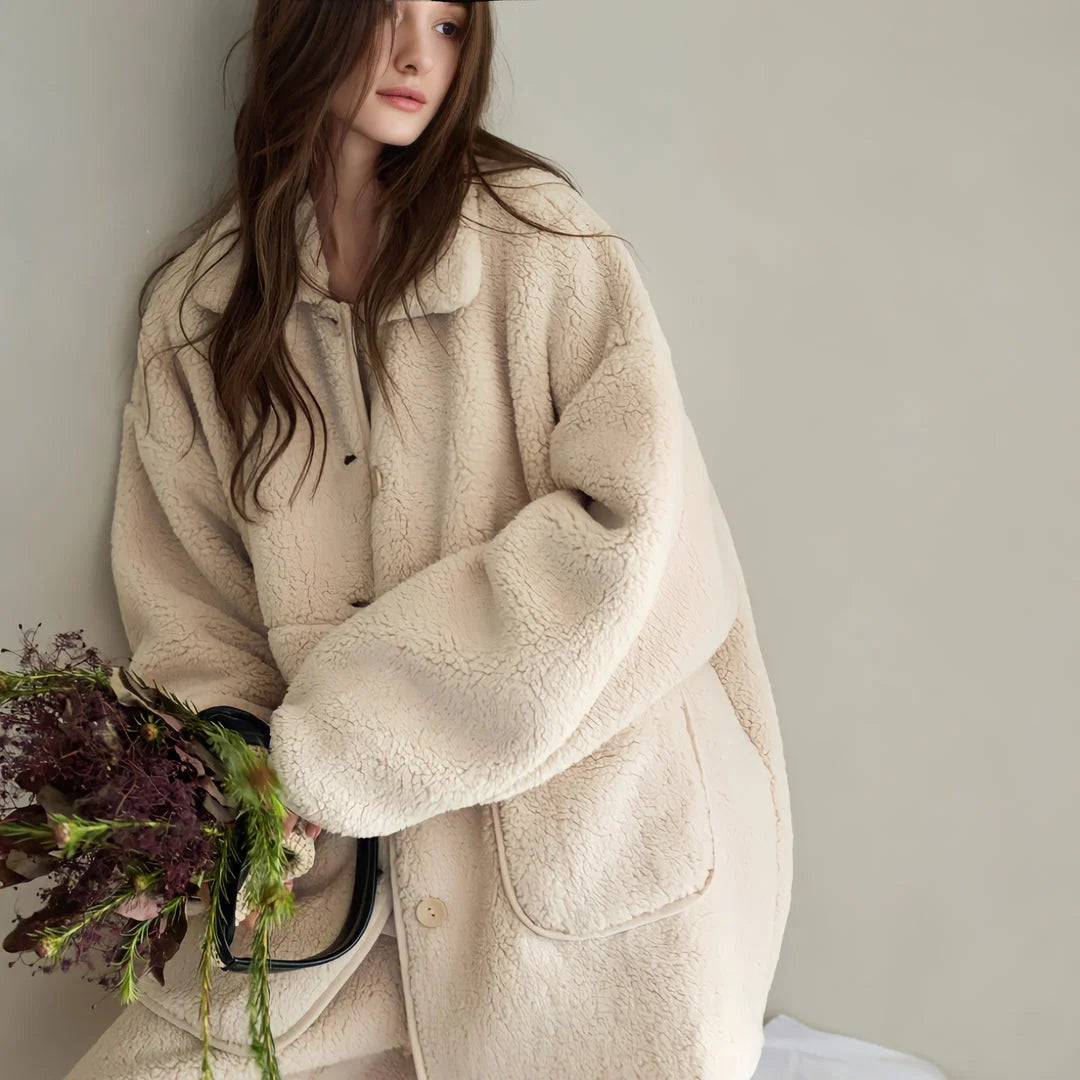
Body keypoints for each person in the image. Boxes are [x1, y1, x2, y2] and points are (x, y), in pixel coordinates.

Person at [67, 2, 793, 1078]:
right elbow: (191, 610)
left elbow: (633, 542)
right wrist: (240, 790)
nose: (418, 56)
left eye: (449, 25)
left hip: (588, 887)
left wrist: (344, 747)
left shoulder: (545, 245)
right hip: (347, 907)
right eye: (386, 14)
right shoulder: (202, 313)